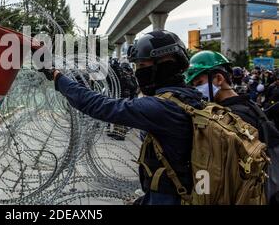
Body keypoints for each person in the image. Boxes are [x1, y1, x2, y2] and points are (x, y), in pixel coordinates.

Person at [39, 30, 202, 205]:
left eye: (141, 65)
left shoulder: (162, 108)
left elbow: (99, 105)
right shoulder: (192, 98)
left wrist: (57, 76)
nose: (138, 72)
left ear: (164, 63)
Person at [185, 51, 279, 204]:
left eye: (198, 83)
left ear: (219, 79)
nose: (196, 90)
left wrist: (202, 193)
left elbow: (219, 170)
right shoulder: (249, 106)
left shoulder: (233, 116)